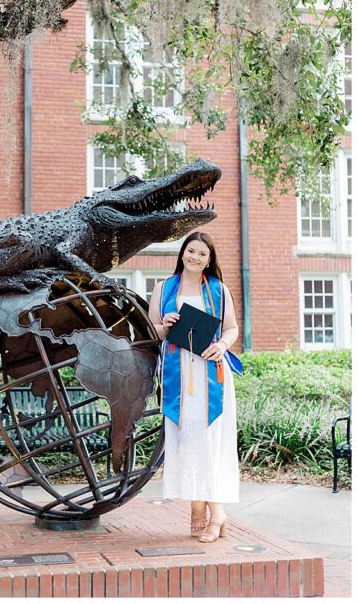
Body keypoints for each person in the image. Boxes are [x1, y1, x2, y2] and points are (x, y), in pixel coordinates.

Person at [148, 231, 240, 543]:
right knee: (186, 443)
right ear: (182, 253)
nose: (195, 257)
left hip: (209, 374)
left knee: (209, 442)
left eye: (202, 254)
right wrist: (165, 325)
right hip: (178, 373)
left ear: (209, 259)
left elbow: (231, 329)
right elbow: (152, 331)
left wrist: (223, 347)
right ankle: (200, 504)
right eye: (191, 251)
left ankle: (214, 515)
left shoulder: (219, 289)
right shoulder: (164, 288)